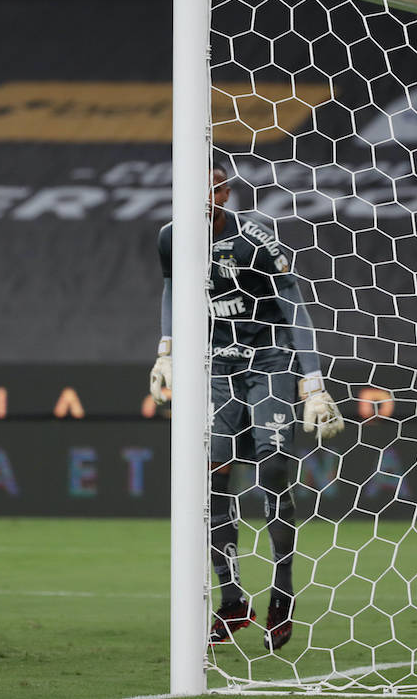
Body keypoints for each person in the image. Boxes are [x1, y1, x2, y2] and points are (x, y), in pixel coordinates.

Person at [150, 167, 344, 652]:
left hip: (269, 362)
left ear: (224, 192)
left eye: (213, 189)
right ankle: (233, 599)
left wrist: (314, 381)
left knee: (273, 469)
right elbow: (173, 286)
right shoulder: (171, 236)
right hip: (216, 368)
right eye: (194, 188)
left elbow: (294, 303)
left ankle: (283, 594)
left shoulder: (253, 239)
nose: (204, 198)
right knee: (210, 474)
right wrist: (167, 351)